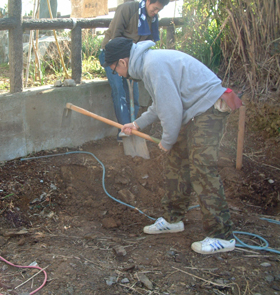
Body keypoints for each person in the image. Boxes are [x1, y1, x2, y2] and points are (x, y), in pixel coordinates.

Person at [104, 37, 243, 255]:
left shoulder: (153, 66)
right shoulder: (148, 65)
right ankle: (173, 219)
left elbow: (171, 111)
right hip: (195, 110)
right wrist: (137, 123)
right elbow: (160, 105)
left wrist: (167, 141)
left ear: (122, 62)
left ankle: (222, 236)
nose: (118, 75)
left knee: (201, 167)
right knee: (176, 162)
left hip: (208, 108)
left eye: (115, 70)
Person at [99, 0, 170, 141]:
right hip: (113, 57)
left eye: (159, 11)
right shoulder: (127, 9)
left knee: (134, 95)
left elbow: (147, 43)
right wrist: (124, 63)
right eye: (155, 8)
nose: (156, 13)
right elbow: (115, 39)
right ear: (148, 1)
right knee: (120, 91)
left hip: (132, 60)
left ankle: (132, 127)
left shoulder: (152, 18)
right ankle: (123, 132)